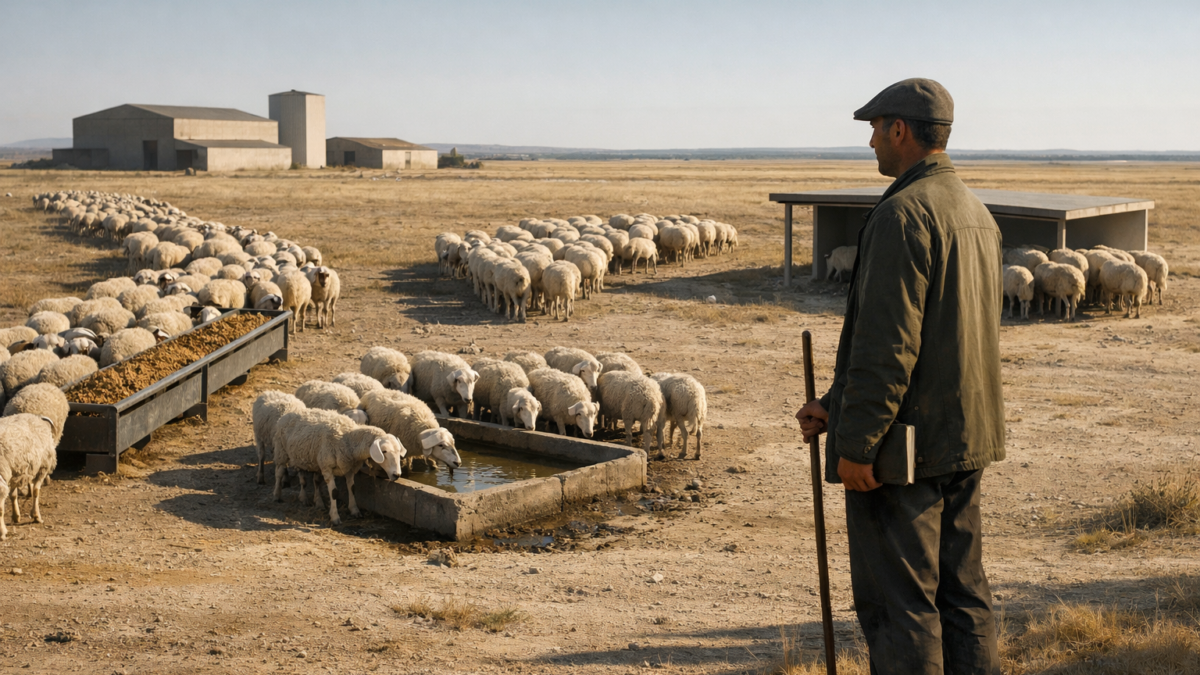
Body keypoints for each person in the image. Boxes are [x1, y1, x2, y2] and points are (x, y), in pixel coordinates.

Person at [794, 78, 1005, 675]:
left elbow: (888, 347)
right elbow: (943, 336)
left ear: (901, 131)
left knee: (901, 607)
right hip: (964, 439)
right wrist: (837, 403)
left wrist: (856, 444)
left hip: (904, 453)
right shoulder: (974, 213)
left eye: (875, 128)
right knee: (963, 596)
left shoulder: (902, 216)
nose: (869, 142)